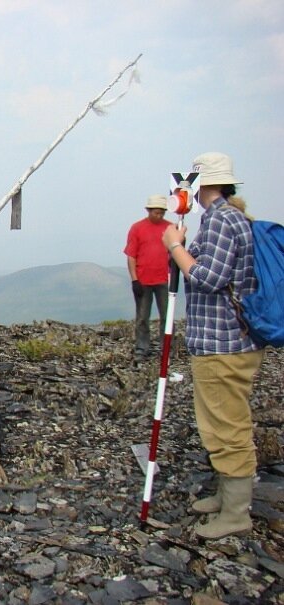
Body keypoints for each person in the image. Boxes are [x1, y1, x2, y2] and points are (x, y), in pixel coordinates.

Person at [162, 152, 264, 540]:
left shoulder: (221, 220)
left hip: (224, 343)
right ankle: (226, 497)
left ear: (200, 184)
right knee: (221, 421)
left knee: (227, 425)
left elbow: (207, 278)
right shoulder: (226, 219)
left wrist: (174, 245)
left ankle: (237, 512)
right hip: (224, 340)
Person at [124, 195, 173, 360]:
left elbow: (175, 252)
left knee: (166, 316)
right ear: (149, 211)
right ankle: (141, 347)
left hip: (164, 280)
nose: (159, 216)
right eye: (156, 213)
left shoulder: (170, 228)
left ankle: (165, 348)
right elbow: (131, 256)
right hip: (143, 280)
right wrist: (134, 279)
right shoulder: (137, 228)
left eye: (162, 213)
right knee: (143, 316)